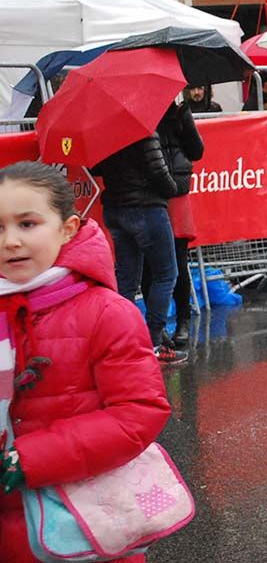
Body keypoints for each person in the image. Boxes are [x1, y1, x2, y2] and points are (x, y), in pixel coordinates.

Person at [0, 161, 171, 563]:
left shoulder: (107, 312)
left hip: (84, 528)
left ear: (68, 228)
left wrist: (32, 458)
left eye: (27, 224)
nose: (10, 241)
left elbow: (137, 413)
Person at [92, 116, 182, 363]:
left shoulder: (102, 130)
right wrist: (172, 188)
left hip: (116, 210)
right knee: (166, 274)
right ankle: (153, 342)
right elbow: (159, 172)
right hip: (146, 208)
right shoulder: (143, 128)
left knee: (127, 279)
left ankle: (122, 340)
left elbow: (96, 168)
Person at [141, 102, 204, 347]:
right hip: (149, 196)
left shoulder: (179, 113)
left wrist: (183, 122)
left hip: (176, 195)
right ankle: (157, 328)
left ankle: (182, 321)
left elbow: (197, 150)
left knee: (178, 262)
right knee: (149, 266)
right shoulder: (138, 114)